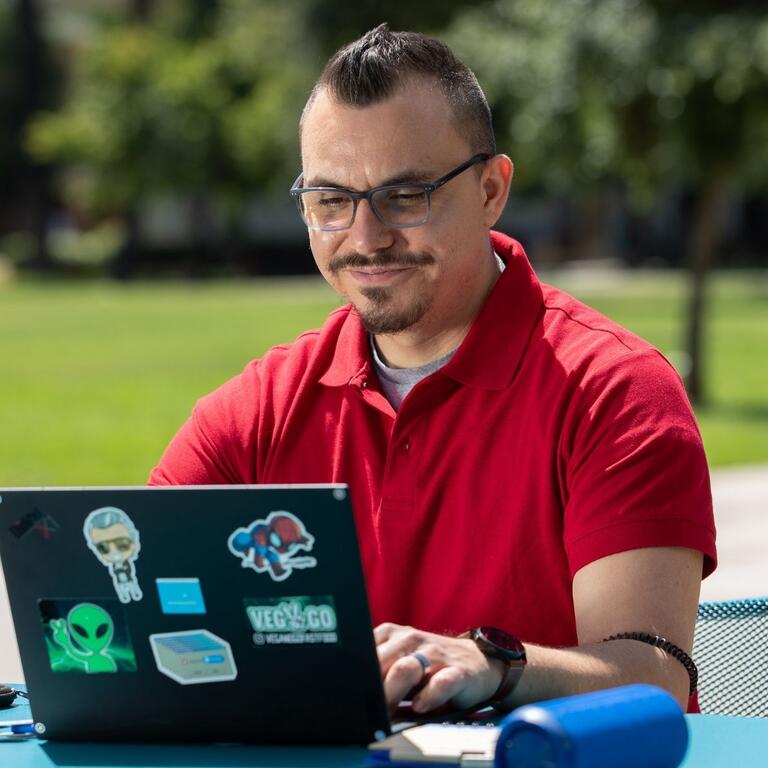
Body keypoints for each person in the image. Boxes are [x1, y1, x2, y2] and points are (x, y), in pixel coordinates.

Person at [150, 24, 716, 715]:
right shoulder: (253, 414)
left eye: (405, 196)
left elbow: (654, 675)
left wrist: (489, 665)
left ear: (490, 190)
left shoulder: (615, 390)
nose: (366, 238)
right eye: (331, 201)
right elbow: (138, 613)